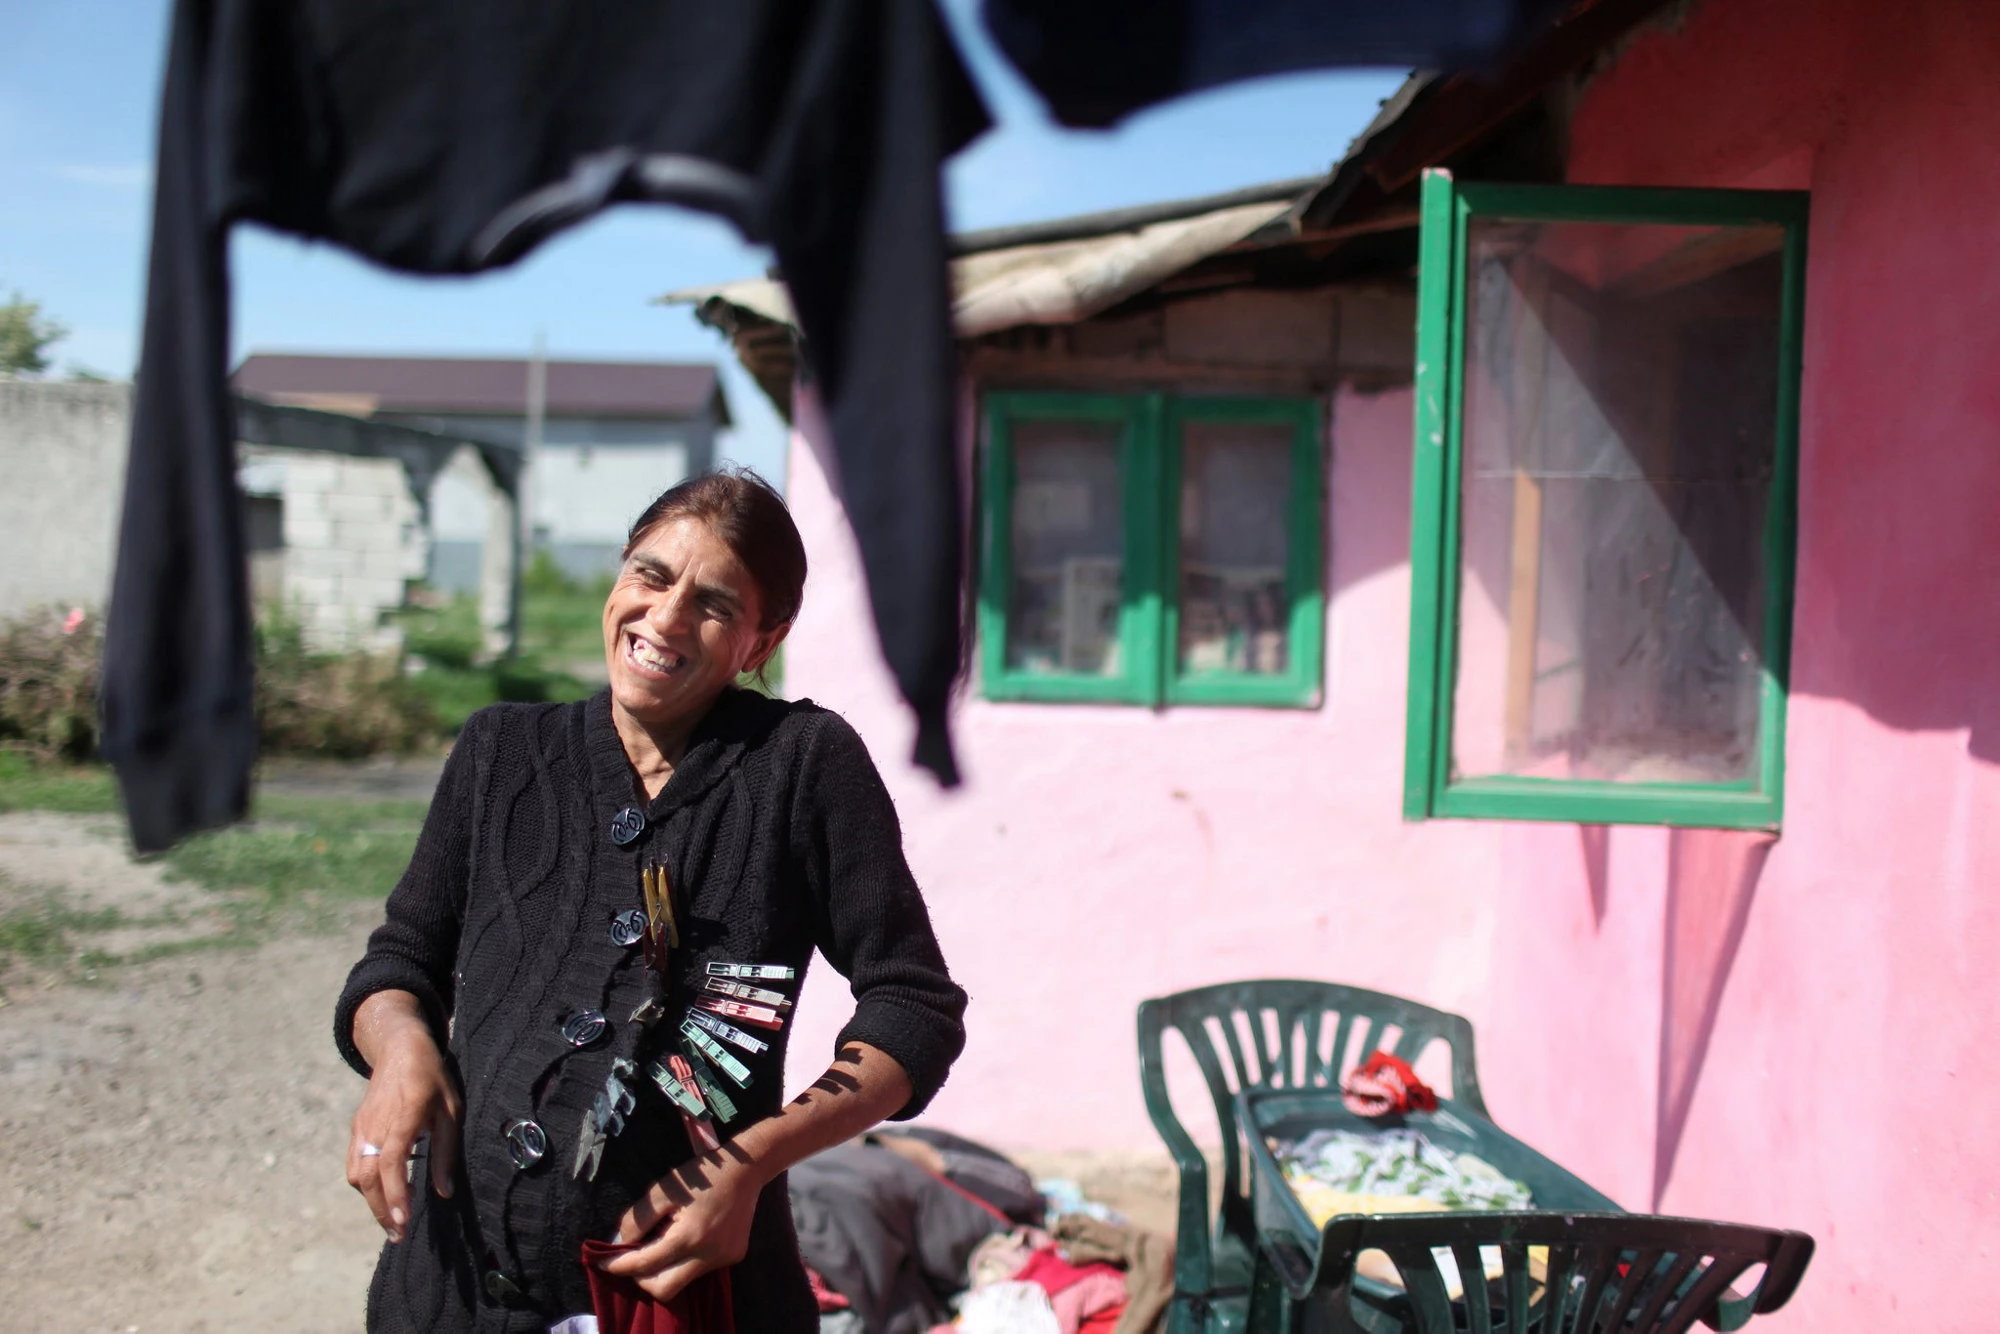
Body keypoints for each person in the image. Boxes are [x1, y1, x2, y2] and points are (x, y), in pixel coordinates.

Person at [334, 469, 967, 1332]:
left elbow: (914, 1005)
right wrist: (400, 1052)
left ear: (761, 641)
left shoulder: (801, 768)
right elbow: (400, 963)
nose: (664, 619)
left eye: (712, 603)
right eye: (651, 575)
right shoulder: (499, 754)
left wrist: (746, 1165)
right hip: (451, 1297)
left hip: (688, 1302)